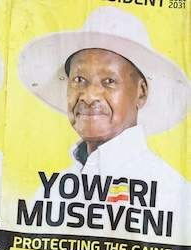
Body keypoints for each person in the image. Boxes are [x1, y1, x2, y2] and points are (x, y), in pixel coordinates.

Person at [18, 8, 190, 222]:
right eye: (79, 79)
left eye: (109, 81)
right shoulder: (50, 193)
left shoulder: (174, 195)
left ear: (141, 91)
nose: (89, 96)